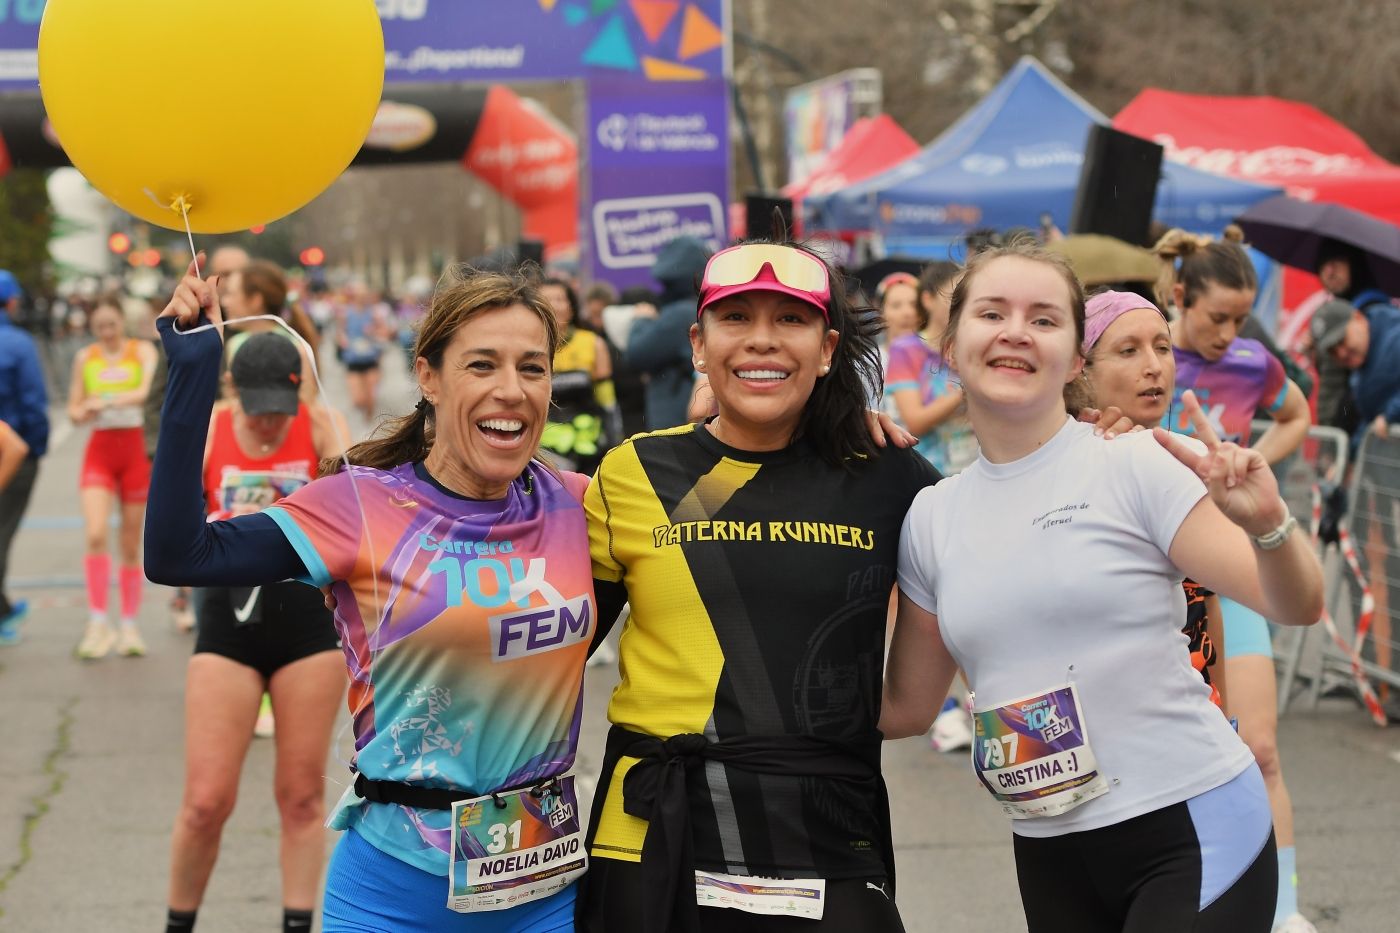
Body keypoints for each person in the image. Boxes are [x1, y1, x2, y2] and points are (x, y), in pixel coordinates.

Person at [882, 239, 1323, 933]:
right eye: (992, 312)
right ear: (950, 342)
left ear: (1076, 357)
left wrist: (1270, 525)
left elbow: (1297, 604)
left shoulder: (1132, 461)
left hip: (1194, 823)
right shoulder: (931, 517)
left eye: (1045, 318)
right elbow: (905, 708)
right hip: (1049, 849)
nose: (1016, 331)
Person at [147, 258, 590, 932]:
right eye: (482, 365)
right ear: (428, 375)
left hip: (543, 890)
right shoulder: (360, 504)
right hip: (393, 892)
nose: (512, 389)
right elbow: (179, 553)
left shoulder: (583, 506)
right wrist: (191, 374)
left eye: (532, 367)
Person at [579, 240, 938, 932]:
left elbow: (925, 694)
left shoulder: (891, 477)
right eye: (736, 317)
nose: (763, 341)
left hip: (827, 839)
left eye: (792, 320)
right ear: (698, 343)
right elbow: (551, 659)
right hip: (652, 835)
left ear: (828, 348)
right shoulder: (635, 474)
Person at [1154, 227, 1316, 933]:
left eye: (1239, 319)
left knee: (1261, 747)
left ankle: (1284, 909)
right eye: (1215, 316)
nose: (1228, 333)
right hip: (1158, 580)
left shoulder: (1253, 362)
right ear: (1180, 297)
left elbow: (1300, 414)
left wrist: (1254, 458)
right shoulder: (1147, 355)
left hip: (1231, 570)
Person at [164, 332, 349, 933]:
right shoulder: (213, 428)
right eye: (258, 407)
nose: (269, 423)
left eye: (280, 408)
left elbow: (358, 512)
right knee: (204, 803)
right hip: (228, 625)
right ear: (233, 392)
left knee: (300, 798)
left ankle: (295, 924)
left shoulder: (320, 423)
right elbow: (169, 519)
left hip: (306, 629)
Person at [1080, 290, 1228, 709]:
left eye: (1163, 348)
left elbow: (1207, 607)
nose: (1153, 366)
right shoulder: (1061, 462)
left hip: (1192, 714)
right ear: (1080, 368)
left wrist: (1228, 720)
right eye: (1128, 350)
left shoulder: (1191, 457)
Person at [148, 247, 250, 634]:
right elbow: (159, 397)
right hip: (197, 460)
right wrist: (163, 459)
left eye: (237, 275)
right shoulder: (190, 328)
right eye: (222, 273)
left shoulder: (271, 333)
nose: (225, 284)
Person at [69, 295, 158, 659]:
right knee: (94, 534)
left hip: (135, 450)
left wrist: (105, 401)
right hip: (101, 451)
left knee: (128, 543)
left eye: (112, 325)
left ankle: (129, 625)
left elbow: (146, 393)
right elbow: (74, 407)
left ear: (122, 322)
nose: (107, 333)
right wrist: (82, 412)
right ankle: (97, 621)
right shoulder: (84, 358)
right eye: (99, 327)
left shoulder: (142, 352)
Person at [886, 262, 977, 476]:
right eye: (953, 296)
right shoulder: (906, 349)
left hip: (976, 469)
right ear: (928, 299)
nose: (961, 305)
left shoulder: (973, 345)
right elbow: (915, 422)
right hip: (930, 474)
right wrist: (966, 388)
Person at [0, 269, 48, 646]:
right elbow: (33, 405)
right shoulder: (18, 343)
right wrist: (36, 449)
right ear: (13, 303)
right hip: (12, 454)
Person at [627, 236, 711, 431]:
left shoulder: (679, 314)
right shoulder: (703, 310)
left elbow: (637, 353)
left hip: (676, 425)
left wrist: (641, 320)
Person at [538, 277, 619, 475]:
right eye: (546, 299)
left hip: (588, 447)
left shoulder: (593, 343)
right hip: (542, 450)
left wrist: (615, 442)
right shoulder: (527, 346)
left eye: (560, 299)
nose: (554, 305)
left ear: (571, 306)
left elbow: (607, 402)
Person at [335, 281, 392, 422]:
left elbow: (385, 330)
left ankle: (369, 418)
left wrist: (376, 332)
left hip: (371, 357)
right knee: (358, 400)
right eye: (358, 294)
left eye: (364, 294)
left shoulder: (374, 312)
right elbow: (340, 332)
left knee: (371, 396)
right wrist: (342, 339)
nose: (361, 297)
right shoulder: (346, 312)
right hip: (353, 358)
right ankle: (365, 409)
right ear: (353, 295)